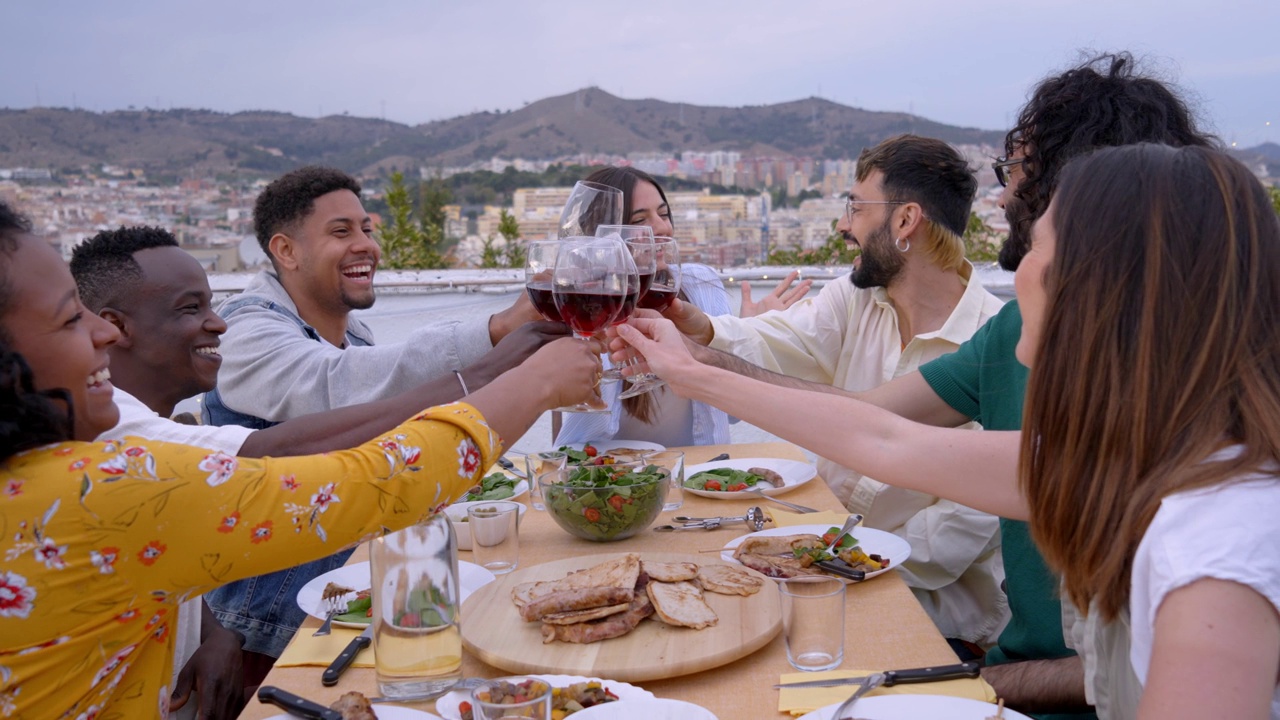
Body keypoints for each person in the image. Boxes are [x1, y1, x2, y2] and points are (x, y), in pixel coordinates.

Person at [616, 142, 1280, 719]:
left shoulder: (1213, 557)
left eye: (1035, 247)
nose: (1014, 269)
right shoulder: (1142, 461)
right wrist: (690, 368)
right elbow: (884, 440)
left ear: (1099, 291)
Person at [0, 200, 602, 719]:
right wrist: (535, 383)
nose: (100, 336)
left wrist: (212, 628)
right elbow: (373, 483)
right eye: (68, 318)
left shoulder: (52, 472)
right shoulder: (92, 489)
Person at [655, 134, 1008, 652]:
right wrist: (702, 329)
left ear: (906, 220)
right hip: (818, 577)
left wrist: (811, 560)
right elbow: (776, 342)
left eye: (856, 206)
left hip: (933, 617)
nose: (844, 224)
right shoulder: (854, 299)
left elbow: (949, 538)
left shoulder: (994, 341)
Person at [199, 165, 546, 673]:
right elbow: (337, 388)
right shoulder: (246, 330)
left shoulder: (354, 333)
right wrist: (499, 333)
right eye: (341, 232)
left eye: (367, 229)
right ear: (286, 251)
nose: (365, 244)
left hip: (347, 605)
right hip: (270, 630)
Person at [555, 166, 737, 447]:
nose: (662, 228)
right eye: (639, 220)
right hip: (604, 479)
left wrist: (743, 334)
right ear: (603, 235)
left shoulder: (700, 284)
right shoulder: (580, 306)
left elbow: (734, 412)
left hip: (700, 476)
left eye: (663, 214)